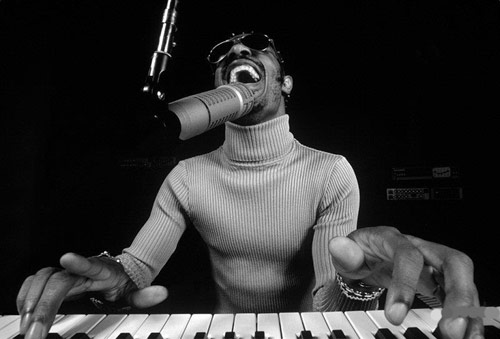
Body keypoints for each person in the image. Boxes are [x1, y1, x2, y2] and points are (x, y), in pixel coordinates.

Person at [17, 32, 482, 339]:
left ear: (286, 81)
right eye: (222, 53)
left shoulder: (330, 171)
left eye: (257, 46)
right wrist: (109, 276)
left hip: (308, 331)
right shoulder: (187, 176)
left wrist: (358, 286)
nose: (237, 52)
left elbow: (330, 300)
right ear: (215, 87)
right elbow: (135, 269)